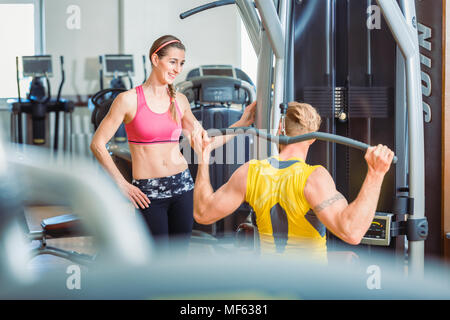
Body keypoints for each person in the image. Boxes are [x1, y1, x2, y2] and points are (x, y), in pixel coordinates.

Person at [90, 35, 256, 253]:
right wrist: (121, 184)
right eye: (172, 62)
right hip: (149, 194)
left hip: (182, 187)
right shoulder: (129, 100)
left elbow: (206, 142)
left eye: (181, 63)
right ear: (155, 59)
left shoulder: (179, 101)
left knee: (178, 258)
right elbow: (98, 144)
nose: (178, 69)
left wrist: (242, 123)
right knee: (156, 260)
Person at [192, 101, 394, 264]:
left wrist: (203, 157)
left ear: (280, 128)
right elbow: (352, 232)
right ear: (312, 138)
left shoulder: (250, 172)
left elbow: (202, 213)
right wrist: (375, 174)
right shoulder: (314, 178)